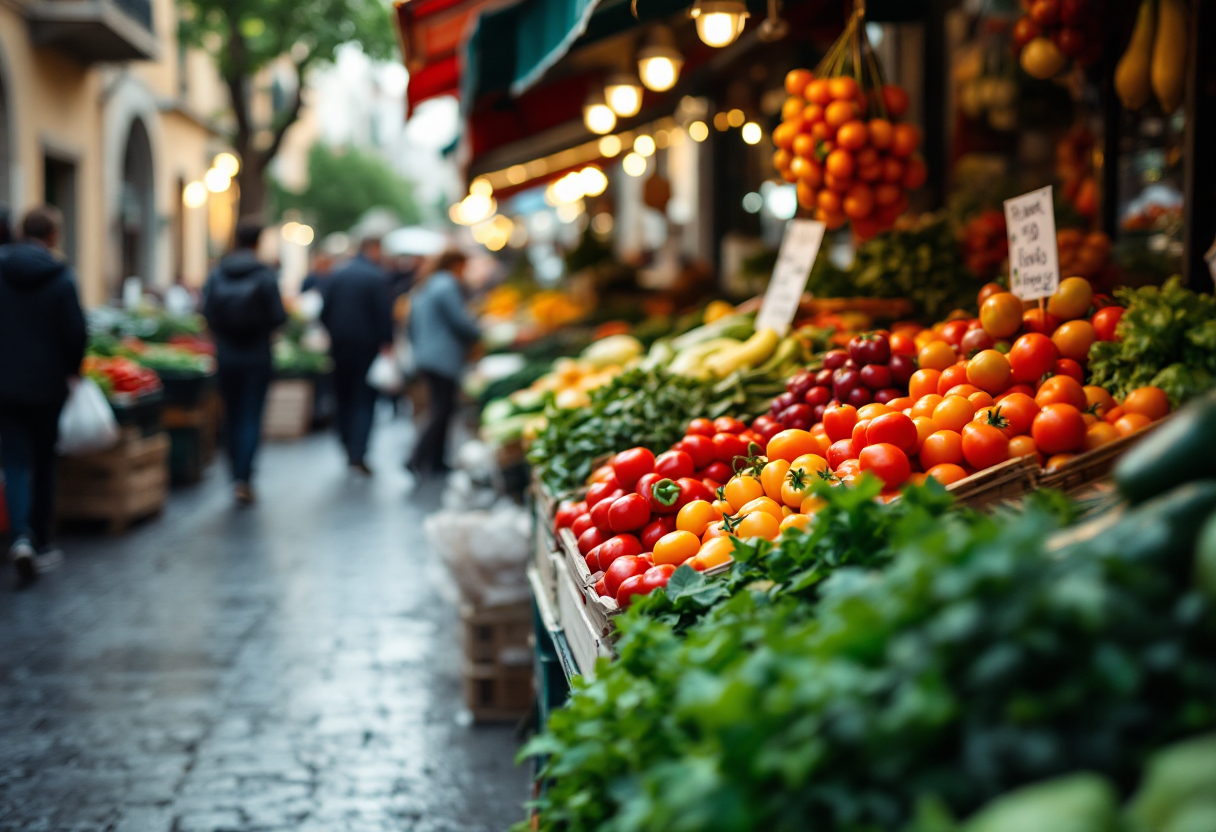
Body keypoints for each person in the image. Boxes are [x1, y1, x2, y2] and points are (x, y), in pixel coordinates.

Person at [0, 206, 86, 580]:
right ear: (53, 236)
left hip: (4, 384)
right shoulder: (62, 277)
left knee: (14, 461)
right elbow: (76, 333)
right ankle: (42, 541)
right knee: (44, 460)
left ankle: (19, 536)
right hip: (48, 385)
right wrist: (73, 370)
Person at [202, 218, 287, 504]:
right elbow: (278, 315)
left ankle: (234, 474)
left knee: (232, 415)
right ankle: (244, 478)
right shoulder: (265, 274)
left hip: (226, 354)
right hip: (257, 355)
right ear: (258, 241)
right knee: (251, 416)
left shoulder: (218, 272)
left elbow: (206, 312)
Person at [320, 234, 393, 474]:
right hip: (367, 347)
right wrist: (387, 342)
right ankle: (358, 451)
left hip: (340, 345)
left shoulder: (338, 274)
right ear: (373, 248)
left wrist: (333, 333)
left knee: (343, 396)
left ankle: (347, 443)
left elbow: (324, 311)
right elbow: (384, 314)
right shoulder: (375, 277)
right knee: (364, 398)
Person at [406, 251, 480, 477]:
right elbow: (459, 320)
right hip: (442, 356)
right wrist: (480, 332)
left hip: (426, 354)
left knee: (441, 408)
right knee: (441, 409)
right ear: (457, 264)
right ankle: (416, 457)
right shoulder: (447, 284)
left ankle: (435, 461)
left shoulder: (427, 285)